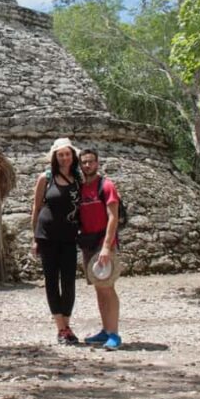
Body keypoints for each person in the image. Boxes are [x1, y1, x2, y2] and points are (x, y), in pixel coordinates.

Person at [31, 137, 82, 345]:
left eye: (67, 154)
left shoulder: (79, 179)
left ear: (72, 155)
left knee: (69, 282)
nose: (64, 158)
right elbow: (36, 208)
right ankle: (61, 328)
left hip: (69, 236)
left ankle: (67, 325)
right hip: (47, 237)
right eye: (60, 155)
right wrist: (34, 238)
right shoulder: (46, 177)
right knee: (51, 282)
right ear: (55, 157)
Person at [78, 148, 122, 350]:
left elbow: (113, 217)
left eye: (91, 162)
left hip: (104, 243)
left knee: (107, 287)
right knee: (99, 287)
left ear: (97, 163)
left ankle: (114, 334)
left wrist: (106, 247)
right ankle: (105, 330)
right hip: (88, 242)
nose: (87, 165)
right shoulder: (80, 188)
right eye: (84, 162)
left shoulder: (107, 186)